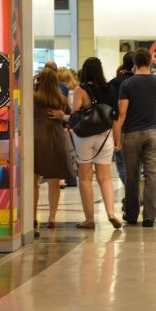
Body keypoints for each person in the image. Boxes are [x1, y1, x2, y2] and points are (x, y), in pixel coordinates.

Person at [50, 58, 122, 230]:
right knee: (105, 178)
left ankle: (90, 220)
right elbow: (115, 115)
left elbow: (75, 117)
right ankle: (111, 213)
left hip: (85, 138)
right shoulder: (110, 88)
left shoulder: (80, 90)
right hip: (106, 136)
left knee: (85, 177)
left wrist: (62, 116)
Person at [113, 48, 156, 227]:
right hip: (154, 134)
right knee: (152, 175)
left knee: (132, 176)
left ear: (134, 63)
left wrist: (117, 139)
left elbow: (121, 114)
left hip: (132, 134)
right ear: (150, 61)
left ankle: (132, 214)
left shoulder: (127, 84)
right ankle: (149, 216)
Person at [34, 69, 74, 229]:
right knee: (54, 182)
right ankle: (52, 217)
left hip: (35, 139)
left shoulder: (33, 98)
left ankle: (32, 216)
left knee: (33, 182)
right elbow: (69, 120)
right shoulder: (62, 100)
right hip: (56, 140)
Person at [109, 51, 135, 189]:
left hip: (119, 127)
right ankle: (134, 193)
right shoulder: (142, 81)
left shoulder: (114, 83)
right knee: (136, 165)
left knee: (121, 163)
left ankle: (132, 193)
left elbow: (110, 107)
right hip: (138, 126)